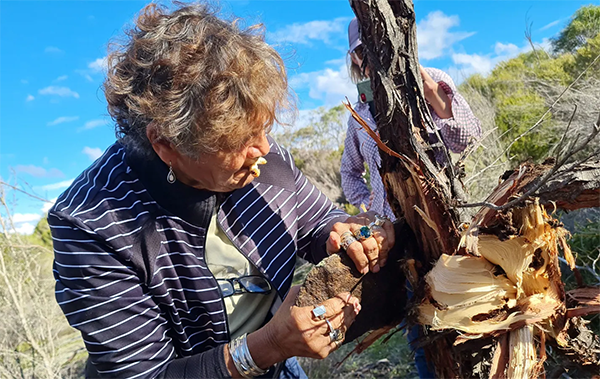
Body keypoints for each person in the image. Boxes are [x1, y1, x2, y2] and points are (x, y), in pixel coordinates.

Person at [48, 4, 395, 379]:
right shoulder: (92, 223)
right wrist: (271, 345)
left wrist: (340, 232)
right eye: (240, 139)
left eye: (263, 129)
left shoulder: (266, 160)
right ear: (167, 145)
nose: (263, 147)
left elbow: (315, 224)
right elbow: (146, 375)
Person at [341, 18, 482, 221]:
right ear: (354, 58)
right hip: (391, 226)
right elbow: (349, 171)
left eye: (378, 45)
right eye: (364, 51)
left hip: (442, 215)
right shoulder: (360, 113)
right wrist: (368, 207)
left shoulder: (435, 79)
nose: (374, 57)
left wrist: (432, 94)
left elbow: (466, 142)